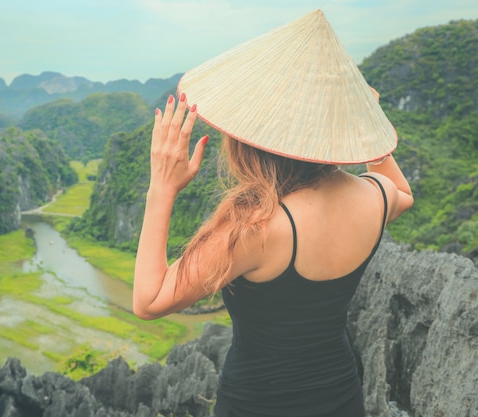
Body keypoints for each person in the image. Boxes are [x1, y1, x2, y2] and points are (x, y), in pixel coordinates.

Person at [132, 9, 413, 417]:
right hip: (340, 397)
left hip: (256, 405)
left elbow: (149, 300)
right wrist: (364, 122)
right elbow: (402, 189)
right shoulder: (377, 197)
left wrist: (162, 185)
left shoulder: (257, 228)